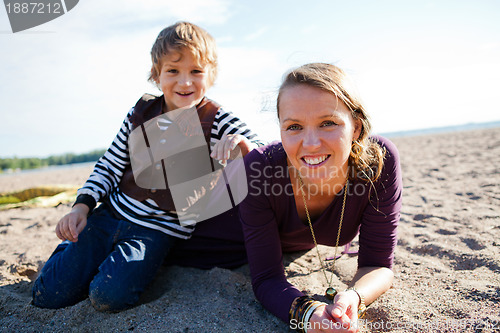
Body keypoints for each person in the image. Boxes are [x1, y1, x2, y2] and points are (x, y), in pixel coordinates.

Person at [32, 21, 262, 311]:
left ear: (211, 75)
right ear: (156, 75)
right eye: (173, 71)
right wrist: (82, 207)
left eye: (196, 72)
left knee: (108, 297)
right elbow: (110, 164)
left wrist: (243, 145)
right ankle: (69, 253)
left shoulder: (216, 119)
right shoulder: (141, 112)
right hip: (110, 215)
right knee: (48, 296)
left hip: (157, 229)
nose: (185, 82)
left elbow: (261, 147)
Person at [239, 63, 402, 332]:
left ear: (357, 128)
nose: (311, 143)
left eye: (328, 123)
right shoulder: (260, 168)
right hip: (206, 240)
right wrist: (307, 313)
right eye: (294, 127)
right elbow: (266, 278)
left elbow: (378, 265)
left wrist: (353, 298)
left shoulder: (379, 162)